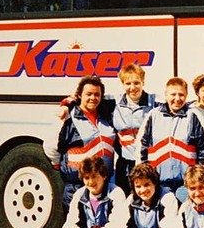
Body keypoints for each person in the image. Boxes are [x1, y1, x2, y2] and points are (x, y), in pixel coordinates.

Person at [57, 64, 160, 195]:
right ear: (122, 84)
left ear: (143, 82)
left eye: (136, 83)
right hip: (125, 164)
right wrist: (66, 104)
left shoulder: (155, 102)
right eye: (128, 83)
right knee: (125, 201)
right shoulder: (113, 102)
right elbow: (83, 96)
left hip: (147, 162)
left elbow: (176, 102)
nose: (132, 88)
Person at [135, 77, 204, 198]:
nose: (177, 99)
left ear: (186, 95)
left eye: (181, 95)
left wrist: (198, 181)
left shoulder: (194, 115)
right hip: (158, 185)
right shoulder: (153, 115)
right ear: (166, 95)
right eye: (173, 94)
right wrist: (146, 180)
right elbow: (141, 149)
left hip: (186, 187)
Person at [44, 75, 116, 208]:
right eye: (88, 94)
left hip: (103, 186)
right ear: (79, 96)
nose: (93, 98)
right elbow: (50, 146)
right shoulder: (68, 118)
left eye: (97, 94)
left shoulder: (105, 118)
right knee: (77, 227)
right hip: (77, 187)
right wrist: (63, 166)